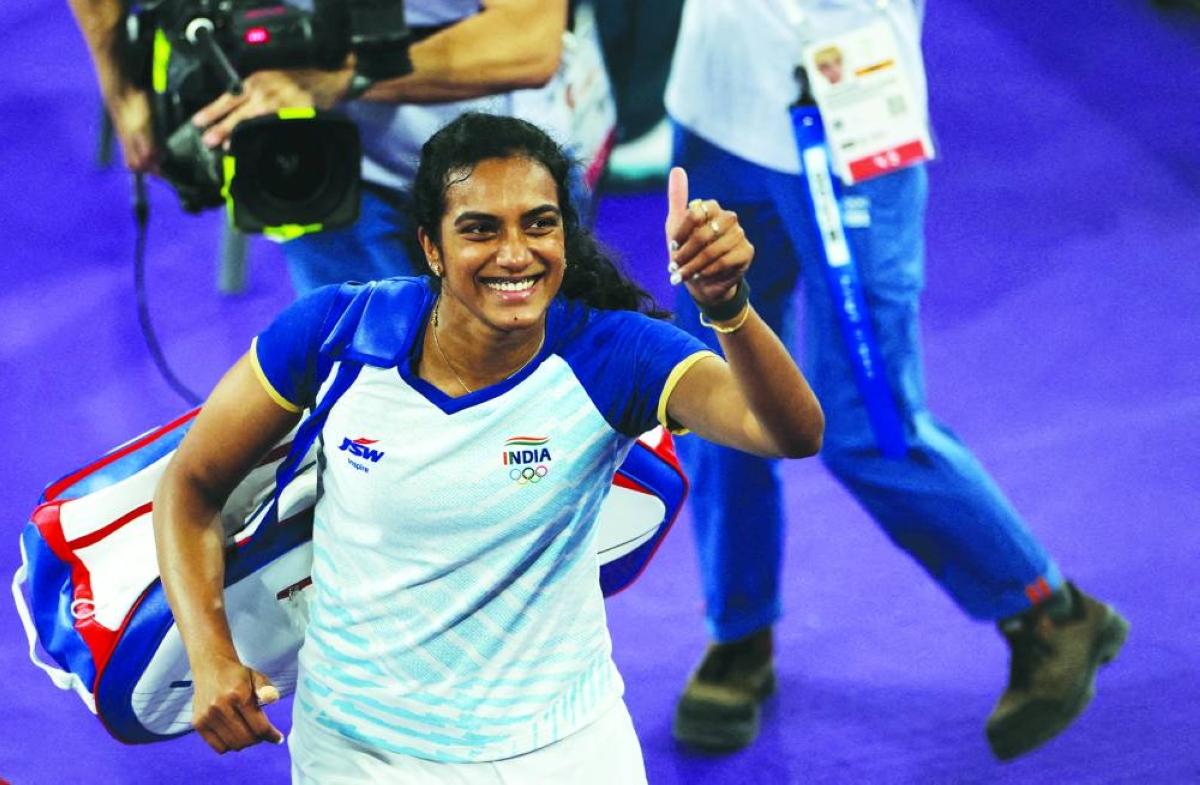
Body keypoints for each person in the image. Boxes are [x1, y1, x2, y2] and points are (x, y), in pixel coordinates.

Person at [151, 112, 824, 781]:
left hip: (563, 751)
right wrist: (211, 656)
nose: (514, 253)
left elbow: (788, 432)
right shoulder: (336, 332)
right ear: (432, 247)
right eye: (480, 229)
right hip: (360, 754)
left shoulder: (615, 353)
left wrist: (728, 305)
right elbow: (192, 485)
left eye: (539, 222)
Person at [663, 0, 1130, 760]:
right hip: (715, 107)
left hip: (846, 117)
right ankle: (740, 632)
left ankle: (1049, 608)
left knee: (870, 427)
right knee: (717, 397)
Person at [68, 0, 612, 295]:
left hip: (496, 162)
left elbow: (525, 42)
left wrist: (341, 77)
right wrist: (122, 86)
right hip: (310, 159)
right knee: (363, 395)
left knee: (518, 402)